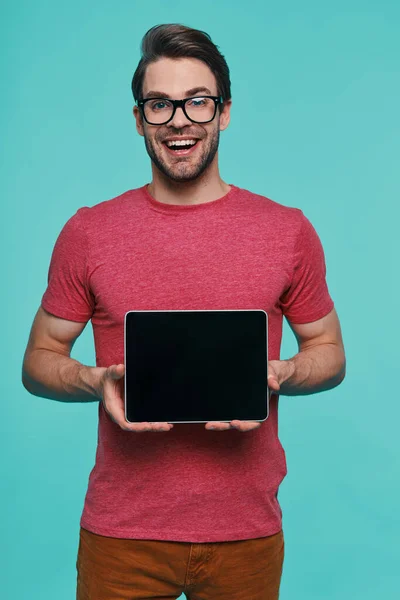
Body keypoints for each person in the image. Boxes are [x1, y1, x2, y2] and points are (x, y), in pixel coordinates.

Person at [22, 23, 346, 600]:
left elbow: (330, 353)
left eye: (197, 102)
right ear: (138, 118)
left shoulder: (287, 231)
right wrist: (94, 380)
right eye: (159, 104)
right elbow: (39, 361)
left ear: (222, 113)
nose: (179, 120)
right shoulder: (88, 232)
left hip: (246, 531)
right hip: (122, 534)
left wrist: (281, 372)